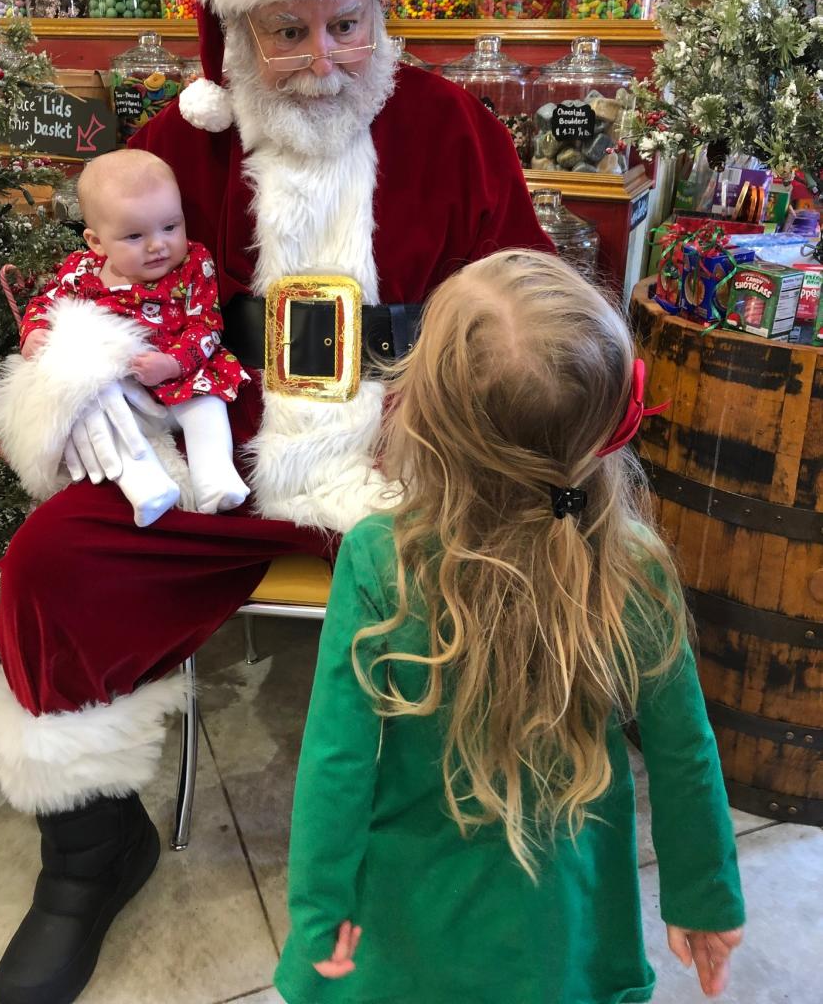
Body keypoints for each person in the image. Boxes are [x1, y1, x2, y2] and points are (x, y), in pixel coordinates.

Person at [0, 0, 553, 1004]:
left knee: (505, 568)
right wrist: (89, 374)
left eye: (344, 23)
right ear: (235, 36)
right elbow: (90, 295)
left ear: (376, 11)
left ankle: (466, 850)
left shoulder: (452, 129)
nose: (323, 57)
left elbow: (524, 298)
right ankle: (90, 855)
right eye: (286, 32)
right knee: (54, 562)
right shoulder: (175, 142)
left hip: (407, 451)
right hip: (216, 457)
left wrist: (433, 416)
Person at [275, 250, 745, 1004]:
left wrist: (318, 919)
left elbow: (336, 766)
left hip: (411, 923)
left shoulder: (379, 560)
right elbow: (683, 750)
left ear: (422, 415)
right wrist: (704, 895)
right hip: (562, 920)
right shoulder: (635, 566)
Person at [17, 148, 250, 526]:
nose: (158, 245)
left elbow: (207, 325)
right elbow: (45, 303)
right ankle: (145, 485)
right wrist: (35, 331)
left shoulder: (193, 263)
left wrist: (173, 362)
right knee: (96, 412)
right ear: (96, 242)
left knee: (207, 405)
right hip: (120, 384)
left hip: (182, 369)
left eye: (170, 227)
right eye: (135, 235)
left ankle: (215, 476)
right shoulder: (82, 272)